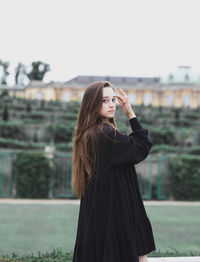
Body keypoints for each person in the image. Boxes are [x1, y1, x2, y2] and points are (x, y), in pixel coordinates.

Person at [72, 81, 156, 262]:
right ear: (92, 104)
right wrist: (130, 113)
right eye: (104, 100)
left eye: (113, 99)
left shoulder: (88, 133)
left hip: (101, 207)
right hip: (115, 208)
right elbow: (142, 146)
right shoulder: (105, 134)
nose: (111, 104)